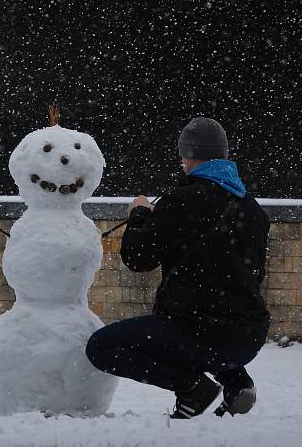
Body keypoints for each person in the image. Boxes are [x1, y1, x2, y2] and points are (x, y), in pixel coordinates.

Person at [86, 117, 270, 419]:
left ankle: (193, 388)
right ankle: (237, 382)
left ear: (189, 154)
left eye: (183, 155)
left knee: (101, 348)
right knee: (206, 325)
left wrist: (139, 215)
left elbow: (138, 258)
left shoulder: (182, 199)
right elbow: (250, 274)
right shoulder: (252, 209)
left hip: (197, 334)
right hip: (248, 339)